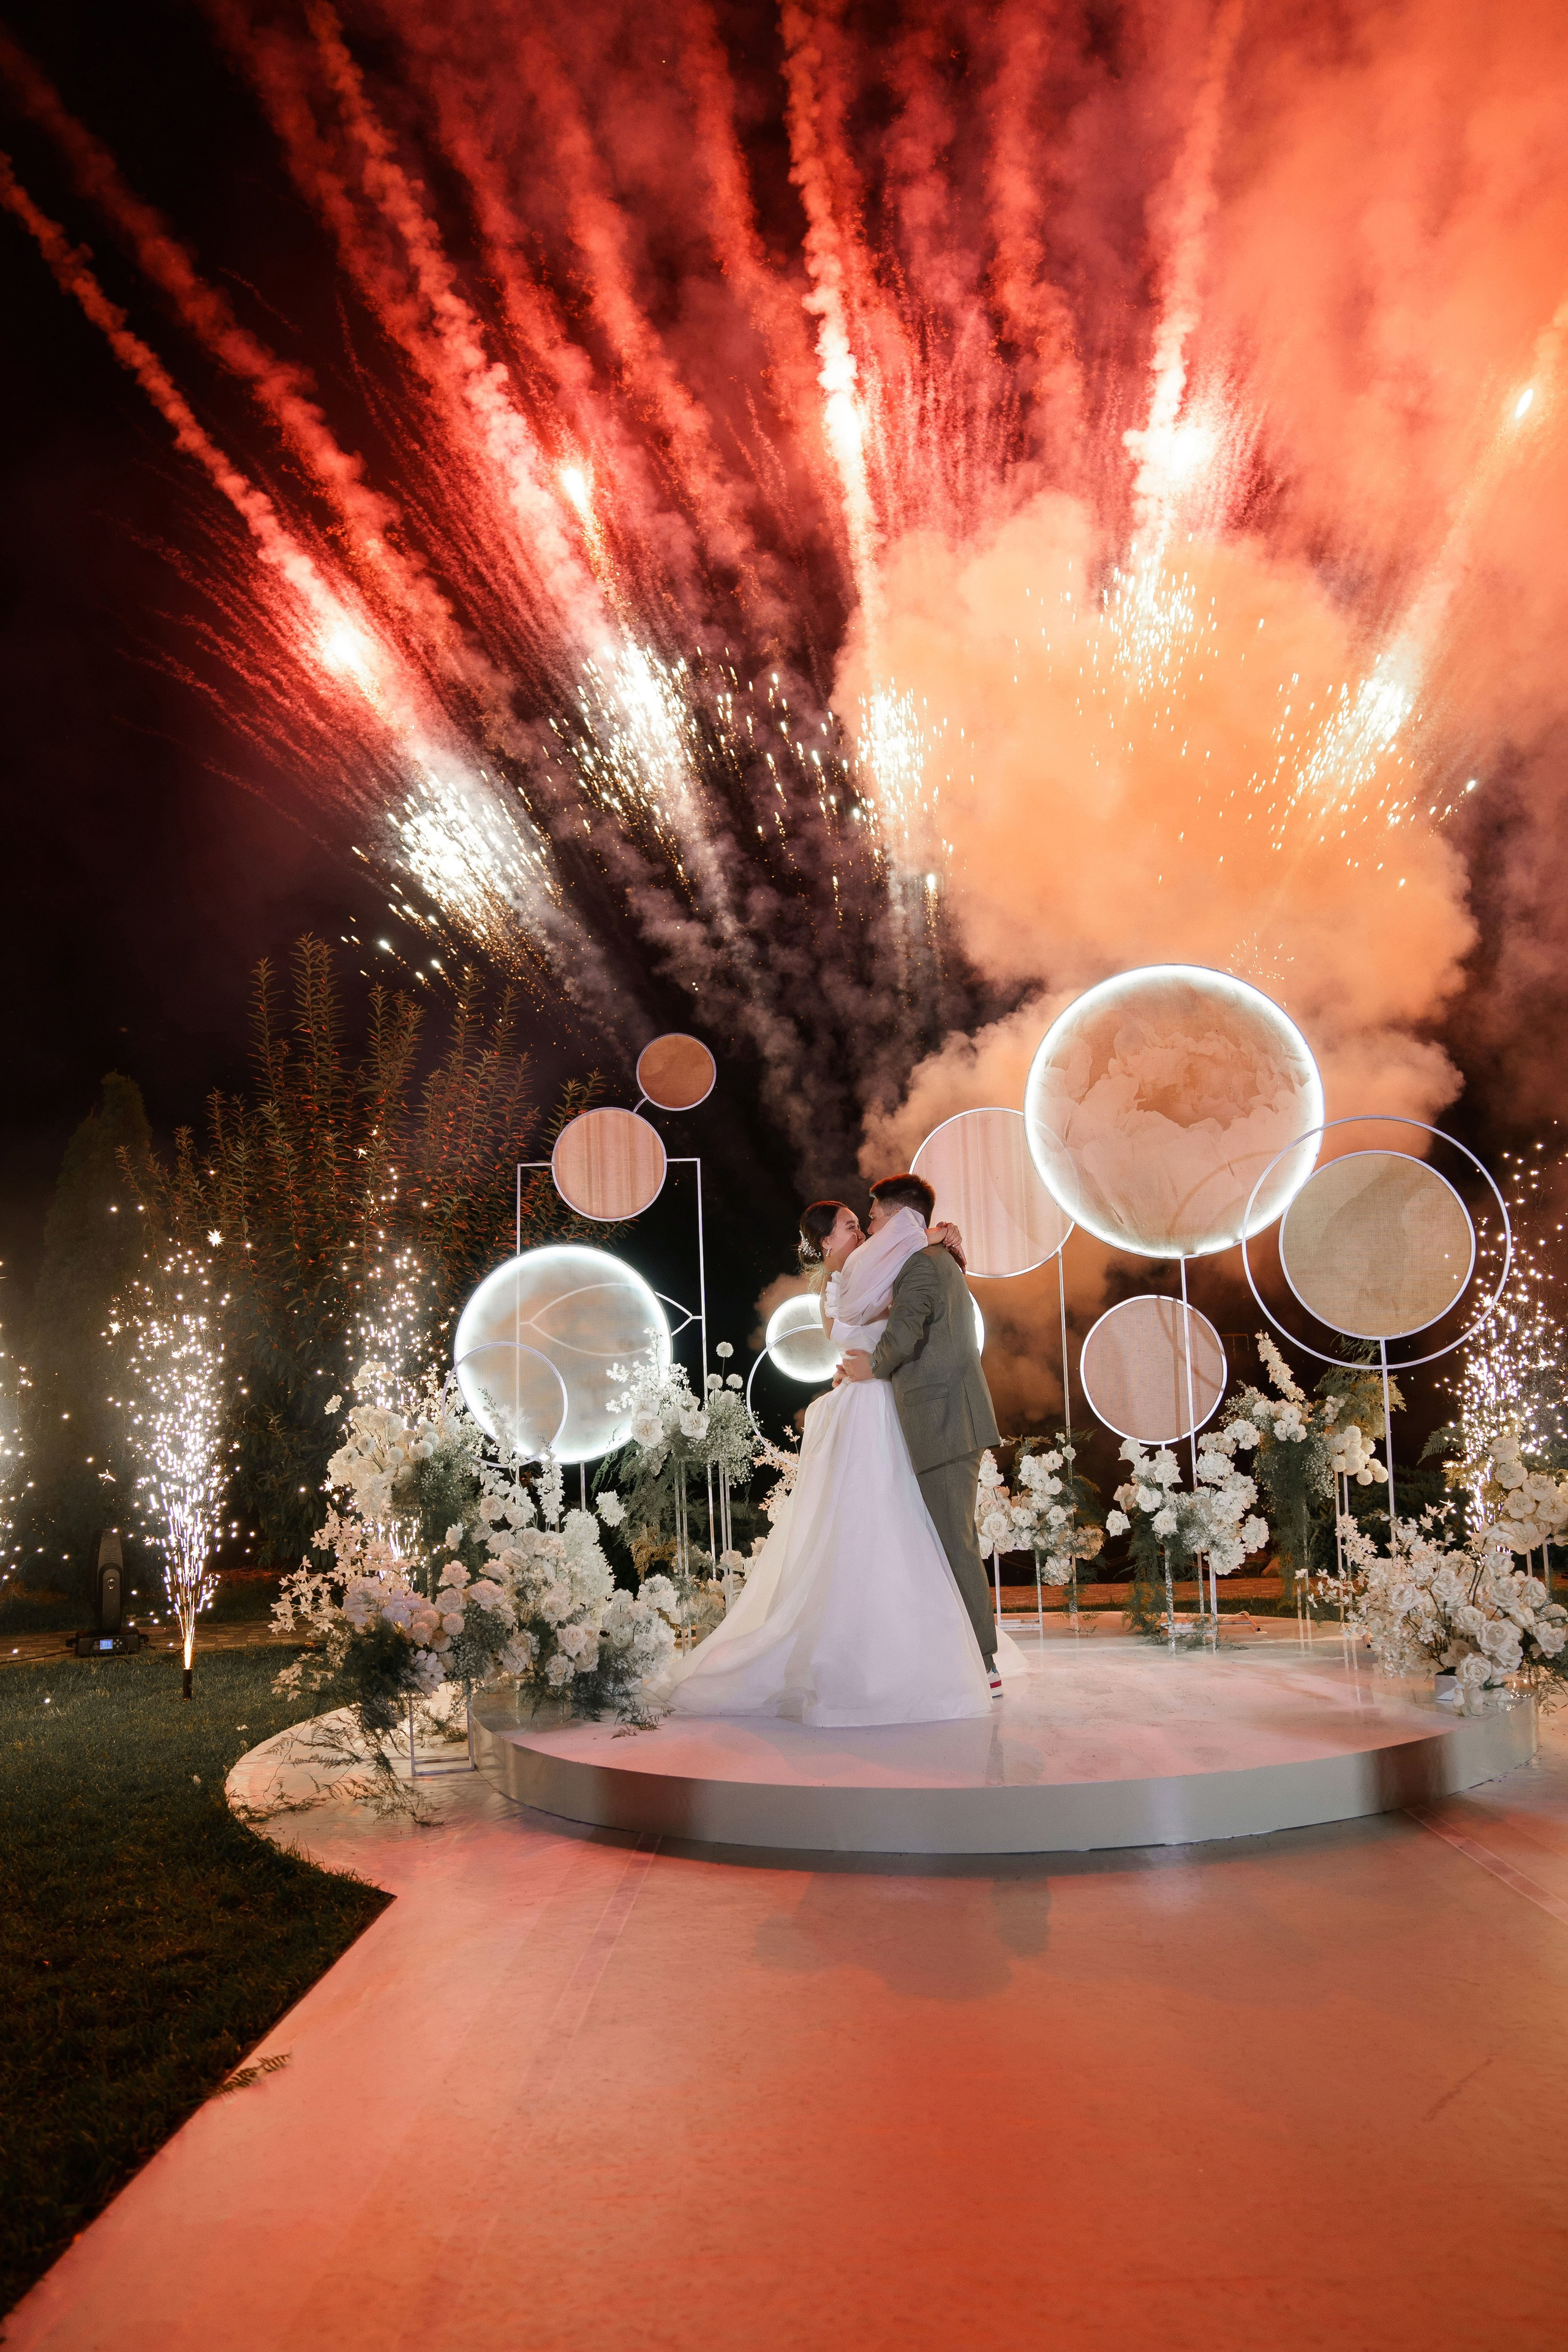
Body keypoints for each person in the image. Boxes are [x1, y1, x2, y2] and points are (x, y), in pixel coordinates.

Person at [662, 1190, 1003, 1727]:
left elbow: (904, 1318)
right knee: (855, 1530)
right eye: (849, 1227)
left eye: (862, 1222)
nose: (861, 1232)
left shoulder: (891, 1265)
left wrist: (934, 1235)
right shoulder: (836, 1290)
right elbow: (854, 1334)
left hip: (892, 1405)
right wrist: (851, 1366)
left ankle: (947, 1648)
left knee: (911, 1526)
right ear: (825, 1242)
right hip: (863, 1406)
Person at [837, 1174, 1005, 1683]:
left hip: (947, 1420)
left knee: (956, 1542)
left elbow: (907, 1331)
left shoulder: (922, 1266)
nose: (869, 1226)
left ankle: (984, 1663)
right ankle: (957, 1656)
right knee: (945, 1540)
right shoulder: (927, 1259)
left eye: (872, 1216)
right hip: (943, 1420)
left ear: (894, 1217)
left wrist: (871, 1365)